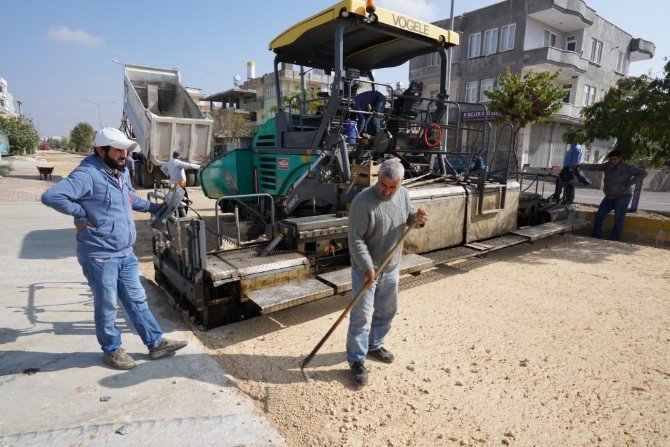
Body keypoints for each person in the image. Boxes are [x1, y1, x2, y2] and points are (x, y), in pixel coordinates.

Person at [41, 127, 188, 370]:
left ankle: (156, 343)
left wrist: (156, 207)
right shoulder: (88, 174)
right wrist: (81, 213)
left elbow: (131, 200)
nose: (124, 154)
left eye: (126, 149)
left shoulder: (119, 172)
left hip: (124, 252)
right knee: (107, 305)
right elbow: (52, 196)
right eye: (118, 149)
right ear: (101, 150)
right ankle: (111, 351)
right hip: (100, 254)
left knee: (137, 299)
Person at [346, 158, 428, 386]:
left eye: (393, 186)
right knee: (361, 317)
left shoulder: (402, 194)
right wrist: (367, 266)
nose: (387, 190)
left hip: (391, 266)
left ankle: (375, 344)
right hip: (366, 269)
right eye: (383, 184)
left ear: (401, 183)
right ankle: (356, 360)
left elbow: (407, 217)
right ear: (378, 177)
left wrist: (417, 219)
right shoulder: (362, 202)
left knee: (387, 311)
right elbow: (355, 240)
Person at [577, 149, 648, 241]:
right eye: (610, 159)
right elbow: (594, 166)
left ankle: (614, 240)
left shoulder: (628, 167)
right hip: (609, 197)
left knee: (619, 217)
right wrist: (579, 166)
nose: (612, 161)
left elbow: (644, 173)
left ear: (620, 158)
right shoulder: (608, 165)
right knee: (599, 215)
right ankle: (596, 237)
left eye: (614, 159)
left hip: (623, 196)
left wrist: (629, 183)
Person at [160, 151, 200, 216]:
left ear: (173, 156)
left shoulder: (168, 163)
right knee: (183, 199)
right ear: (179, 157)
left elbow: (162, 168)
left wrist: (167, 173)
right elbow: (189, 165)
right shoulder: (178, 162)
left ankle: (175, 213)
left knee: (173, 198)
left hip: (172, 183)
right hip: (180, 183)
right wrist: (198, 166)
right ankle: (182, 214)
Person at [552, 138, 590, 205]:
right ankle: (557, 197)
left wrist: (570, 171)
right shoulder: (572, 147)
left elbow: (575, 163)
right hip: (565, 168)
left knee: (569, 185)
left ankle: (569, 201)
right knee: (559, 181)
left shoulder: (576, 149)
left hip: (570, 169)